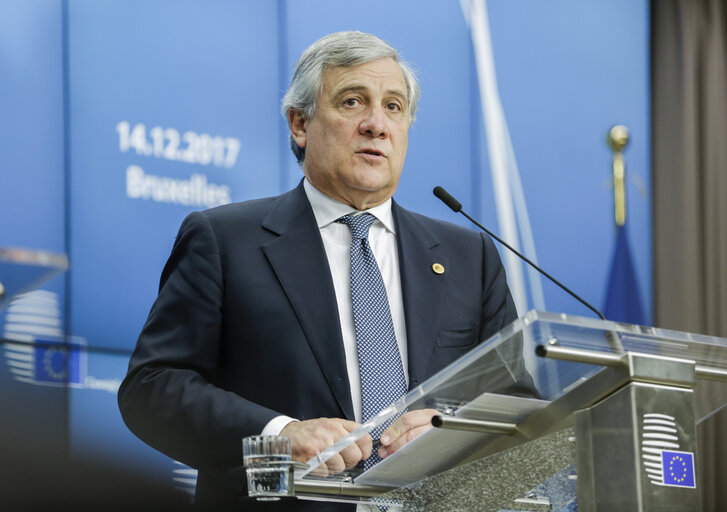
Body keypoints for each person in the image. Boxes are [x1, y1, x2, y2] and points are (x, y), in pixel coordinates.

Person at [118, 31, 533, 510]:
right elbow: (153, 388)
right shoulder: (226, 240)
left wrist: (455, 426)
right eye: (353, 102)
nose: (377, 124)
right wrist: (280, 434)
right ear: (300, 124)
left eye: (394, 107)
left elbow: (518, 405)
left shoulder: (469, 256)